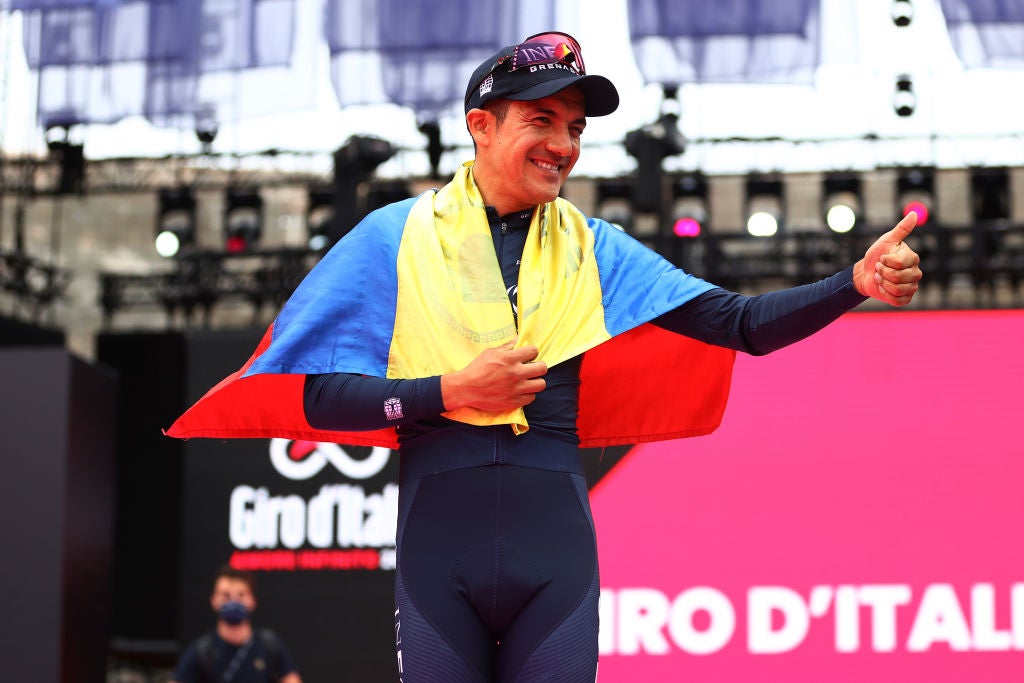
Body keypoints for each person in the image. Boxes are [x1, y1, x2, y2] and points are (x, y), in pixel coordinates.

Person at [168, 31, 921, 683]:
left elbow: (743, 325)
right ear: (480, 126)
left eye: (575, 127)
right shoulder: (391, 238)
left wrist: (851, 283)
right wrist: (447, 391)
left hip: (554, 554)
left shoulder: (597, 249)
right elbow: (317, 398)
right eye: (542, 120)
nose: (564, 144)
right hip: (438, 554)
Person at [171, 566, 302, 683]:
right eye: (226, 595)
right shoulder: (201, 652)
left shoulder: (270, 646)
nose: (233, 601)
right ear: (214, 601)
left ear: (252, 601)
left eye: (241, 595)